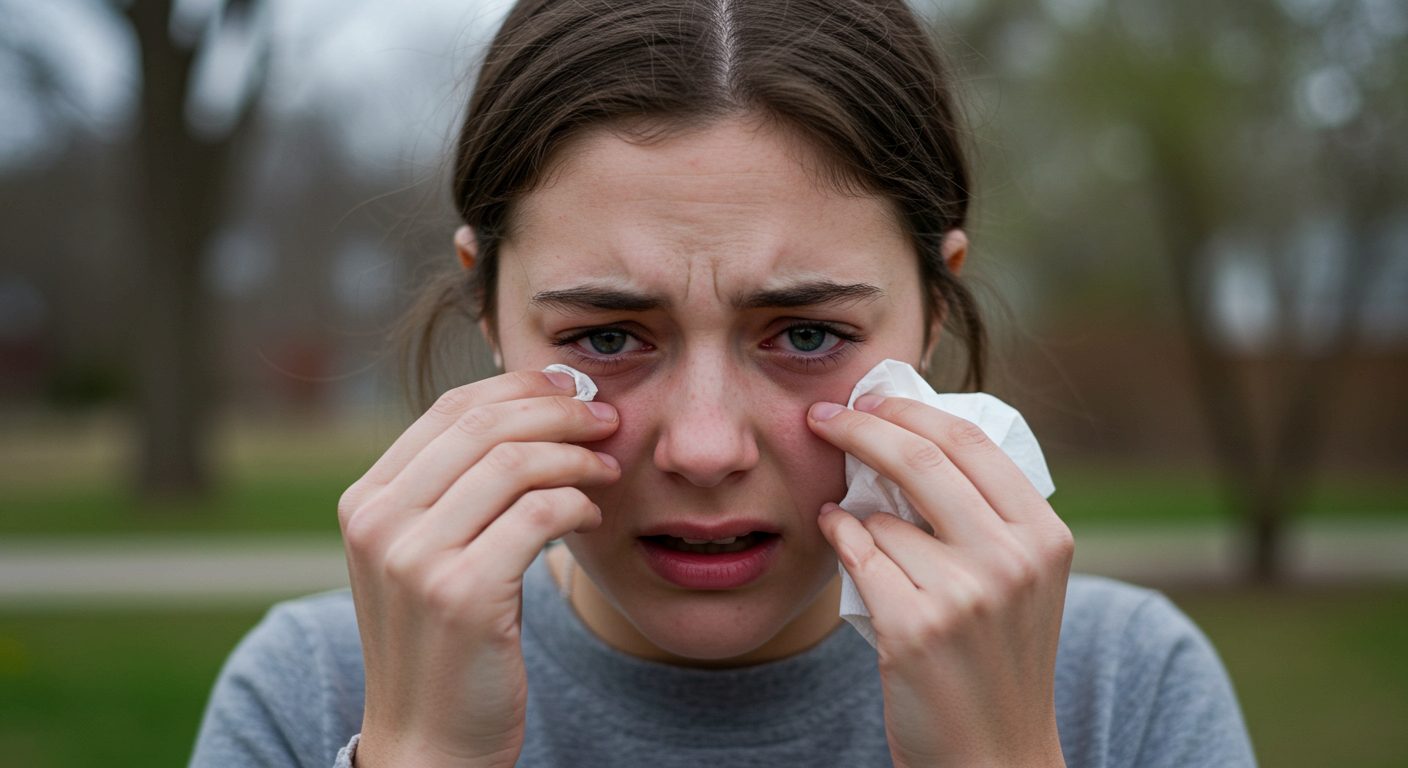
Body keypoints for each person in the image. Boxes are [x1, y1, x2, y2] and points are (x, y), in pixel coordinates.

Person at [189, 0, 1258, 766]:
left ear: (933, 308)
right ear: (488, 307)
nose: (704, 450)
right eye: (608, 337)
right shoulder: (313, 691)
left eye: (804, 332)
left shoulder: (1124, 688)